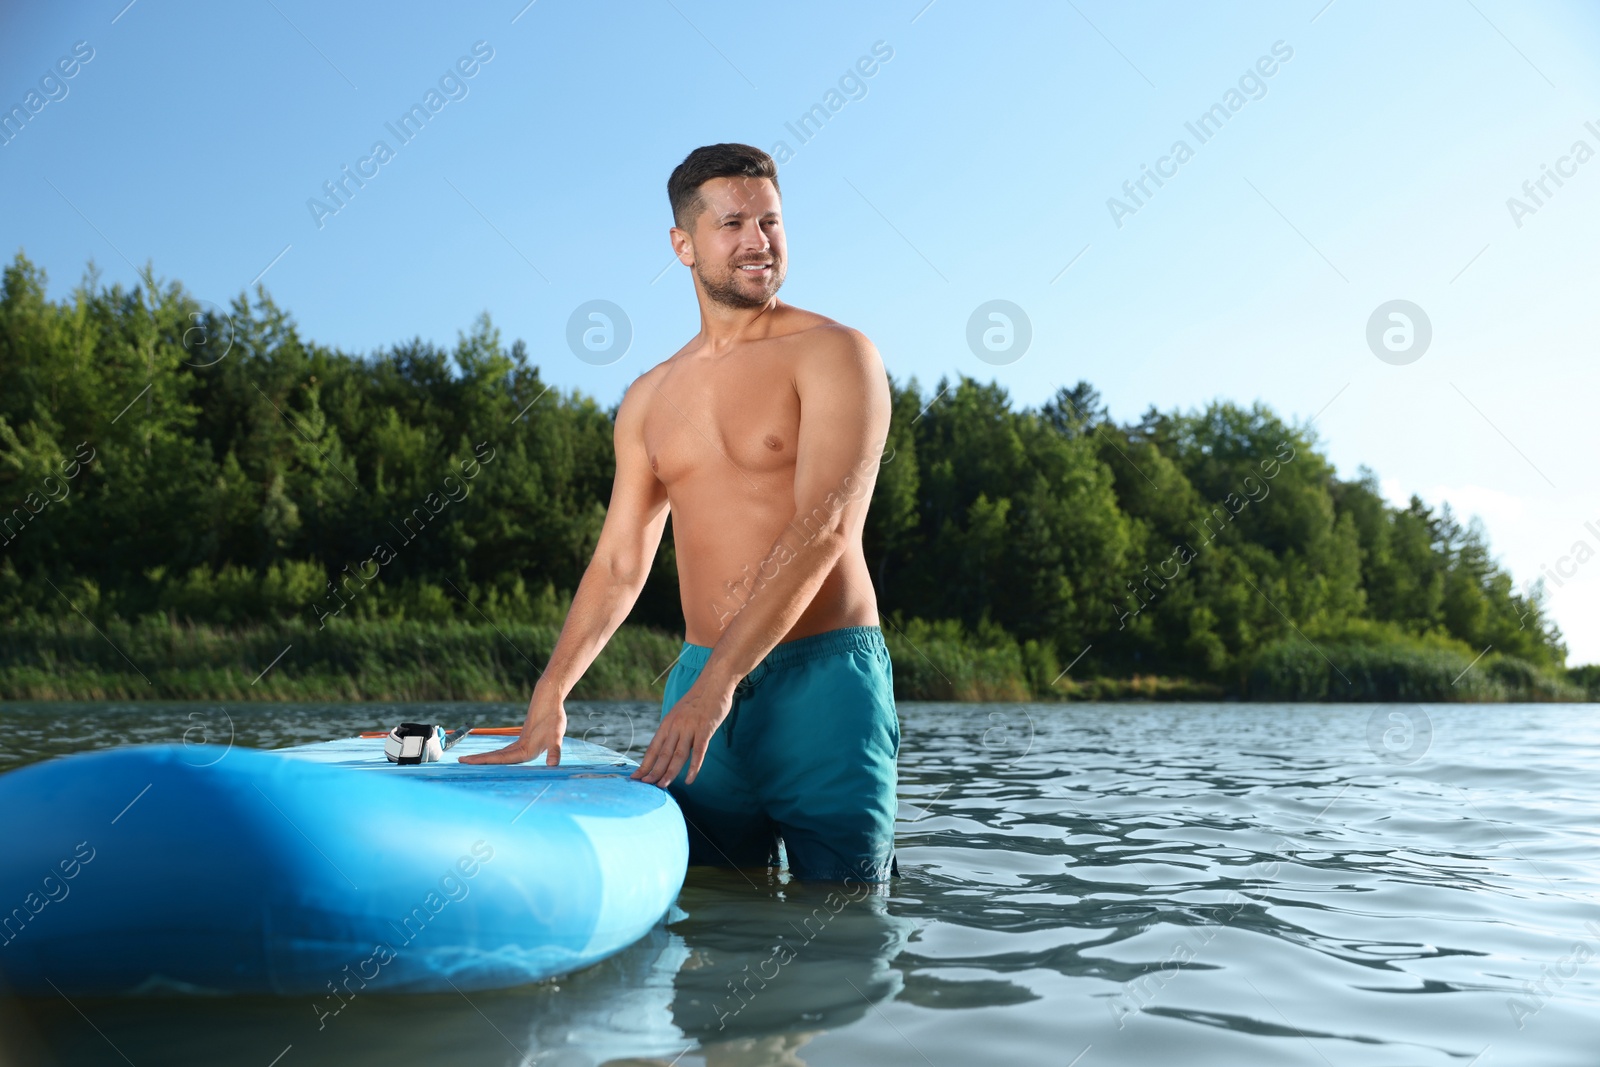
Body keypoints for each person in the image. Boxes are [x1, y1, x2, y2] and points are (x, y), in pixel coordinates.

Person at [461, 143, 900, 883]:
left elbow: (825, 530)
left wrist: (715, 689)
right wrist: (551, 692)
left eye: (771, 221)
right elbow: (619, 561)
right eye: (733, 224)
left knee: (844, 929)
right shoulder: (649, 398)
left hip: (822, 685)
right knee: (709, 928)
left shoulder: (835, 354)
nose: (759, 242)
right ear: (683, 245)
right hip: (699, 685)